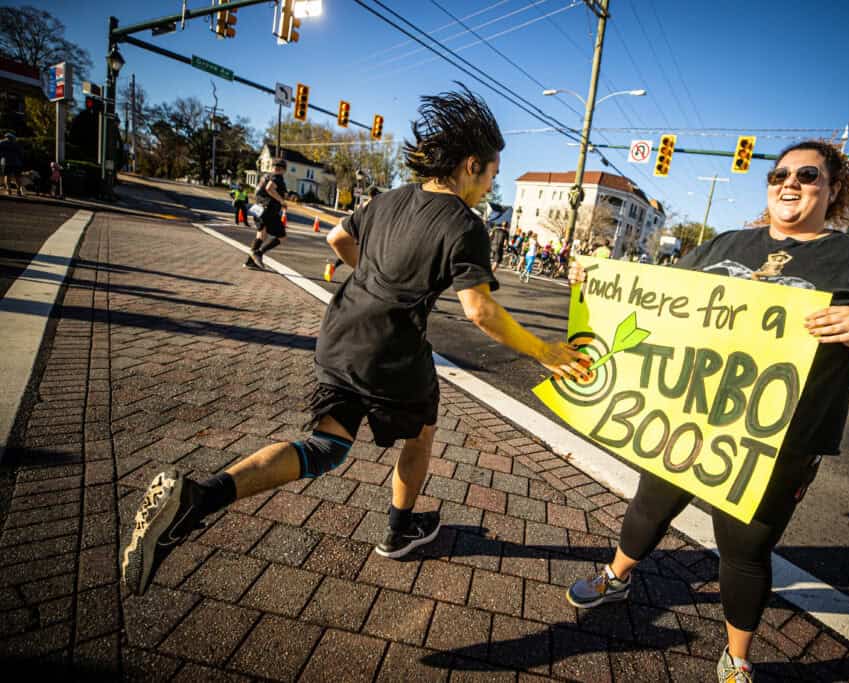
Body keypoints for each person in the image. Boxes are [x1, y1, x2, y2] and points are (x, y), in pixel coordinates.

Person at [121, 85, 590, 597]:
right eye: (492, 175)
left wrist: (376, 283)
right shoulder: (465, 224)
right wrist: (544, 351)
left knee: (324, 447)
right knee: (422, 433)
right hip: (392, 355)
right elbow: (479, 310)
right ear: (471, 165)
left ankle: (200, 497)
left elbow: (337, 240)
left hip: (340, 333)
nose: (489, 188)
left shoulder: (389, 199)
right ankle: (398, 530)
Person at [565, 139, 849, 682]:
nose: (790, 183)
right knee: (648, 507)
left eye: (807, 175)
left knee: (744, 547)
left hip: (779, 440)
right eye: (780, 174)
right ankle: (616, 576)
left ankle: (737, 657)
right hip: (686, 415)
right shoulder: (725, 245)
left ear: (834, 189)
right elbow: (657, 301)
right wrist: (597, 281)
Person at [326, 186, 381, 280]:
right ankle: (362, 278)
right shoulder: (373, 206)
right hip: (364, 234)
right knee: (363, 258)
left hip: (357, 233)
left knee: (351, 255)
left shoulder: (364, 204)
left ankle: (332, 267)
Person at [245, 160, 289, 269]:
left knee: (261, 235)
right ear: (284, 169)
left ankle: (250, 262)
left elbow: (260, 191)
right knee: (282, 237)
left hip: (258, 208)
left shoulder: (265, 176)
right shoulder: (277, 177)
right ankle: (259, 253)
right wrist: (281, 201)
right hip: (269, 211)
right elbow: (269, 188)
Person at [0, 132, 24, 196]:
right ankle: (19, 190)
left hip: (7, 162)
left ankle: (9, 190)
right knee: (17, 177)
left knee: (7, 176)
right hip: (17, 163)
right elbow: (21, 154)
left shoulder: (2, 143)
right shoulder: (17, 144)